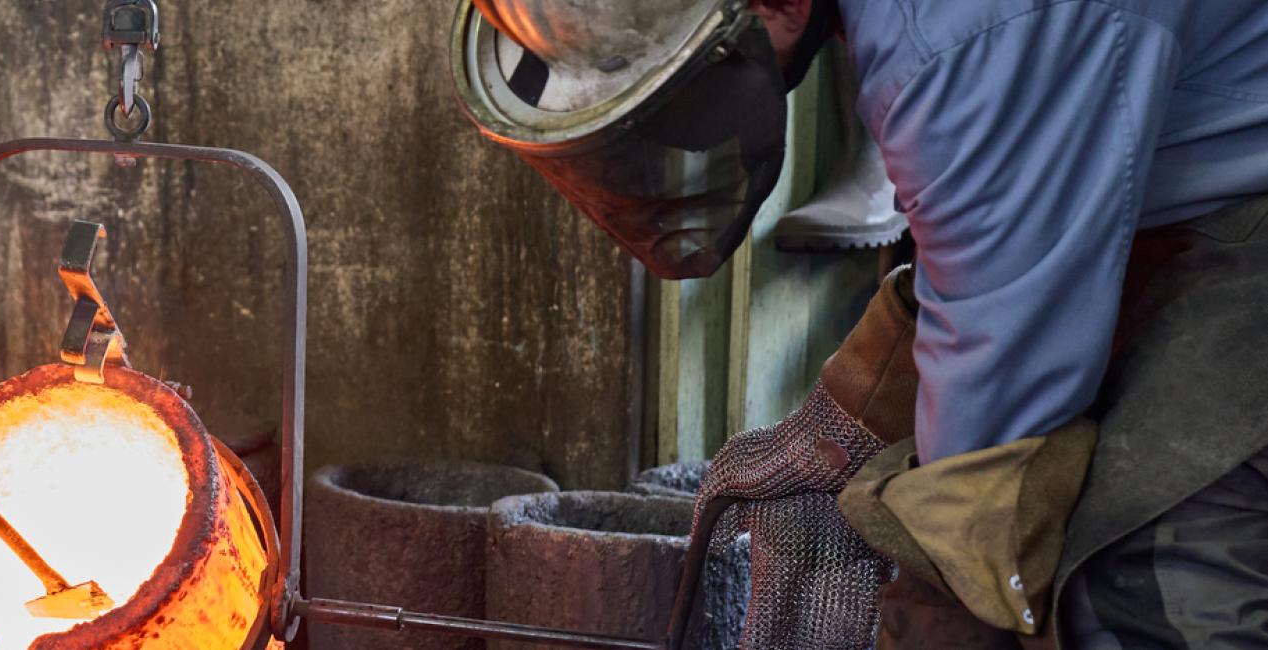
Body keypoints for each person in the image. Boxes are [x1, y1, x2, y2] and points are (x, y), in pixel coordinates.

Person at [452, 0, 1268, 647]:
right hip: (1182, 168)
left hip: (1242, 215)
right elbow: (997, 231)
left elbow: (994, 436)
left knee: (1138, 585)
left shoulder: (964, 37)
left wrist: (943, 589)